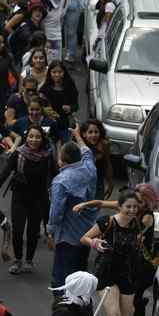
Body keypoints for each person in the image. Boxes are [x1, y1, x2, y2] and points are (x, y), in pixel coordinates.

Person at [79, 189, 144, 316]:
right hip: (106, 272)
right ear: (120, 206)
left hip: (127, 274)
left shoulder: (136, 225)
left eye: (134, 207)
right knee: (113, 315)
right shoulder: (107, 222)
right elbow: (84, 238)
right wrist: (95, 244)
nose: (132, 210)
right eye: (128, 207)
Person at [47, 123, 98, 288]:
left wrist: (50, 231)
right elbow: (87, 152)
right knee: (80, 279)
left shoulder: (60, 181)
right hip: (88, 233)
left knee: (61, 280)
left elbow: (56, 212)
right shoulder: (90, 170)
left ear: (62, 159)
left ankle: (63, 309)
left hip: (67, 236)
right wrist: (77, 135)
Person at [0, 125, 55, 275]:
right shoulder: (18, 154)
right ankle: (18, 260)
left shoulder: (47, 156)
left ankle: (29, 260)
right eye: (31, 136)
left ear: (42, 139)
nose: (34, 140)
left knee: (33, 231)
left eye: (37, 137)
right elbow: (6, 172)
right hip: (19, 197)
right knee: (17, 230)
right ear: (26, 137)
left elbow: (56, 175)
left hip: (39, 198)